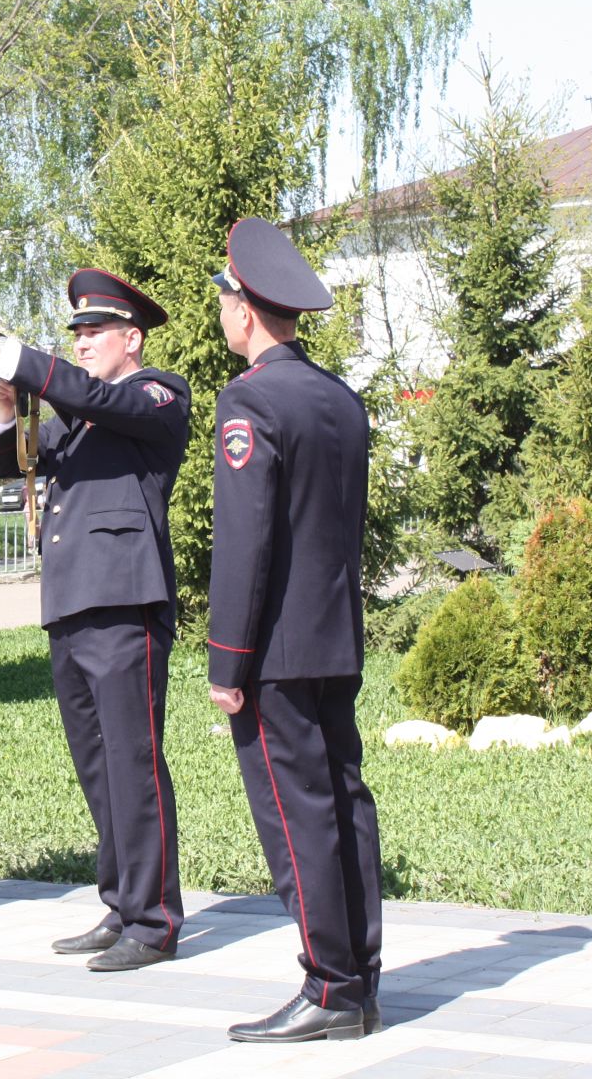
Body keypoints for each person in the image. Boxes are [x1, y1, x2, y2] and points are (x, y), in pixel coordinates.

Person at [0, 269, 189, 972]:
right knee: (96, 764)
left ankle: (156, 916)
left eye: (95, 331)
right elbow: (7, 460)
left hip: (124, 603)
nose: (82, 343)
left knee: (133, 762)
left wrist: (17, 355)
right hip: (72, 605)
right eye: (76, 333)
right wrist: (1, 400)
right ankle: (121, 902)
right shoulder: (79, 419)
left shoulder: (157, 393)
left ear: (132, 338)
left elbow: (92, 395)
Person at [207, 217, 381, 1043]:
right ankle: (360, 975)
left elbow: (247, 544)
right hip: (335, 639)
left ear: (246, 311)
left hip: (273, 651)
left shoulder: (251, 401)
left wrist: (226, 659)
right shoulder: (339, 400)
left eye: (224, 300)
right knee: (344, 803)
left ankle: (329, 985)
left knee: (297, 815)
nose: (221, 313)